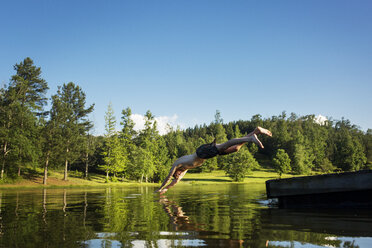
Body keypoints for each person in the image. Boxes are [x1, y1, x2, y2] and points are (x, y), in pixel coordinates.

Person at [157, 126, 272, 194]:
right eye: (178, 176)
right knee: (236, 148)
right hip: (207, 155)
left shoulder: (177, 164)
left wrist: (159, 188)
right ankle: (255, 132)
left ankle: (251, 138)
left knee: (225, 145)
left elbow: (168, 177)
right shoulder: (184, 170)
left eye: (177, 175)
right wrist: (165, 190)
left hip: (202, 152)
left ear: (176, 172)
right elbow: (174, 182)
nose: (178, 175)